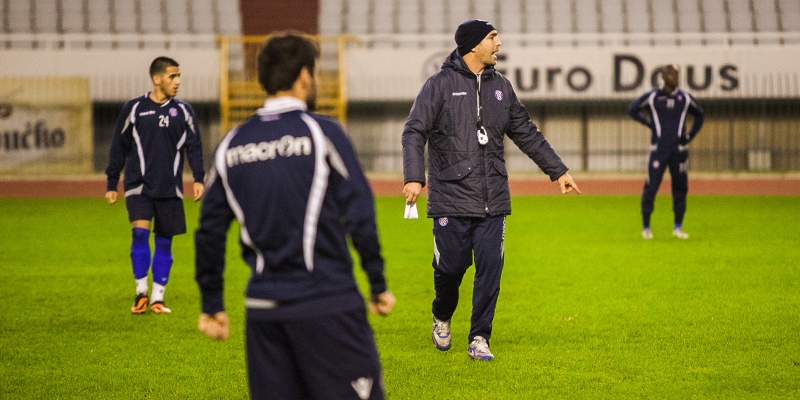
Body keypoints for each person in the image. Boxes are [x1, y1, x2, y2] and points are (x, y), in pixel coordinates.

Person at [194, 33, 396, 400]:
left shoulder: (230, 146)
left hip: (263, 313)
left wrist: (212, 303)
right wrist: (377, 283)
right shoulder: (324, 133)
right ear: (305, 75)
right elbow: (360, 212)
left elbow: (208, 232)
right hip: (327, 304)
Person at [401, 19, 580, 361]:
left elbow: (526, 132)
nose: (499, 43)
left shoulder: (503, 88)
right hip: (451, 199)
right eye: (492, 37)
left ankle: (479, 337)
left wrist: (558, 171)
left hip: (493, 198)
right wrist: (414, 177)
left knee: (490, 269)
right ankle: (442, 316)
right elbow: (413, 131)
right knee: (451, 269)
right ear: (473, 45)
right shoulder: (438, 85)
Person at [105, 56, 205, 314]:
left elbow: (194, 146)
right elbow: (119, 145)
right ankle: (141, 292)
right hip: (138, 185)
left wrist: (198, 178)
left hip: (170, 188)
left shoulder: (183, 111)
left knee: (164, 243)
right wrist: (112, 181)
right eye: (173, 76)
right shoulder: (134, 108)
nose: (178, 81)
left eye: (179, 76)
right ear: (157, 78)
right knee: (139, 233)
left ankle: (158, 298)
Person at [628, 64, 704, 240]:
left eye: (676, 74)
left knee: (680, 188)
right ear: (663, 76)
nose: (674, 77)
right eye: (670, 74)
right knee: (651, 187)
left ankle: (678, 227)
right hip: (658, 150)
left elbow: (700, 114)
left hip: (679, 151)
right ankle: (646, 227)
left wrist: (689, 136)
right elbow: (632, 108)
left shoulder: (684, 98)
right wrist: (649, 124)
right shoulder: (654, 97)